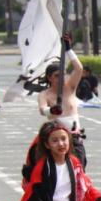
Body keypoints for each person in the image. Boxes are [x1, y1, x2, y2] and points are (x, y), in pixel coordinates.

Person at [38, 37, 86, 166]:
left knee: (79, 168)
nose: (61, 78)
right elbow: (42, 110)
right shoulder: (44, 94)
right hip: (57, 140)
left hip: (74, 138)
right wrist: (51, 110)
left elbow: (79, 69)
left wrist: (69, 49)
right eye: (56, 76)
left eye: (62, 74)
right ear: (49, 78)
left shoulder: (70, 87)